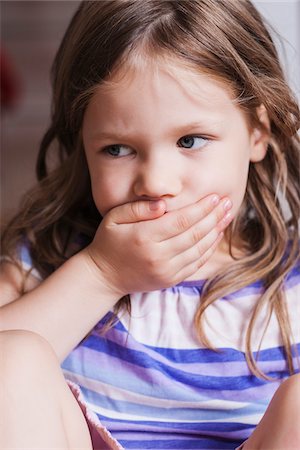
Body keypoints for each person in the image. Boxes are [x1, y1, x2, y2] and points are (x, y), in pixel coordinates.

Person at [0, 0, 299, 449]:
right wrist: (101, 274)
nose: (156, 183)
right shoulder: (48, 258)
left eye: (190, 140)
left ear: (258, 131)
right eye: (118, 149)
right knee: (11, 357)